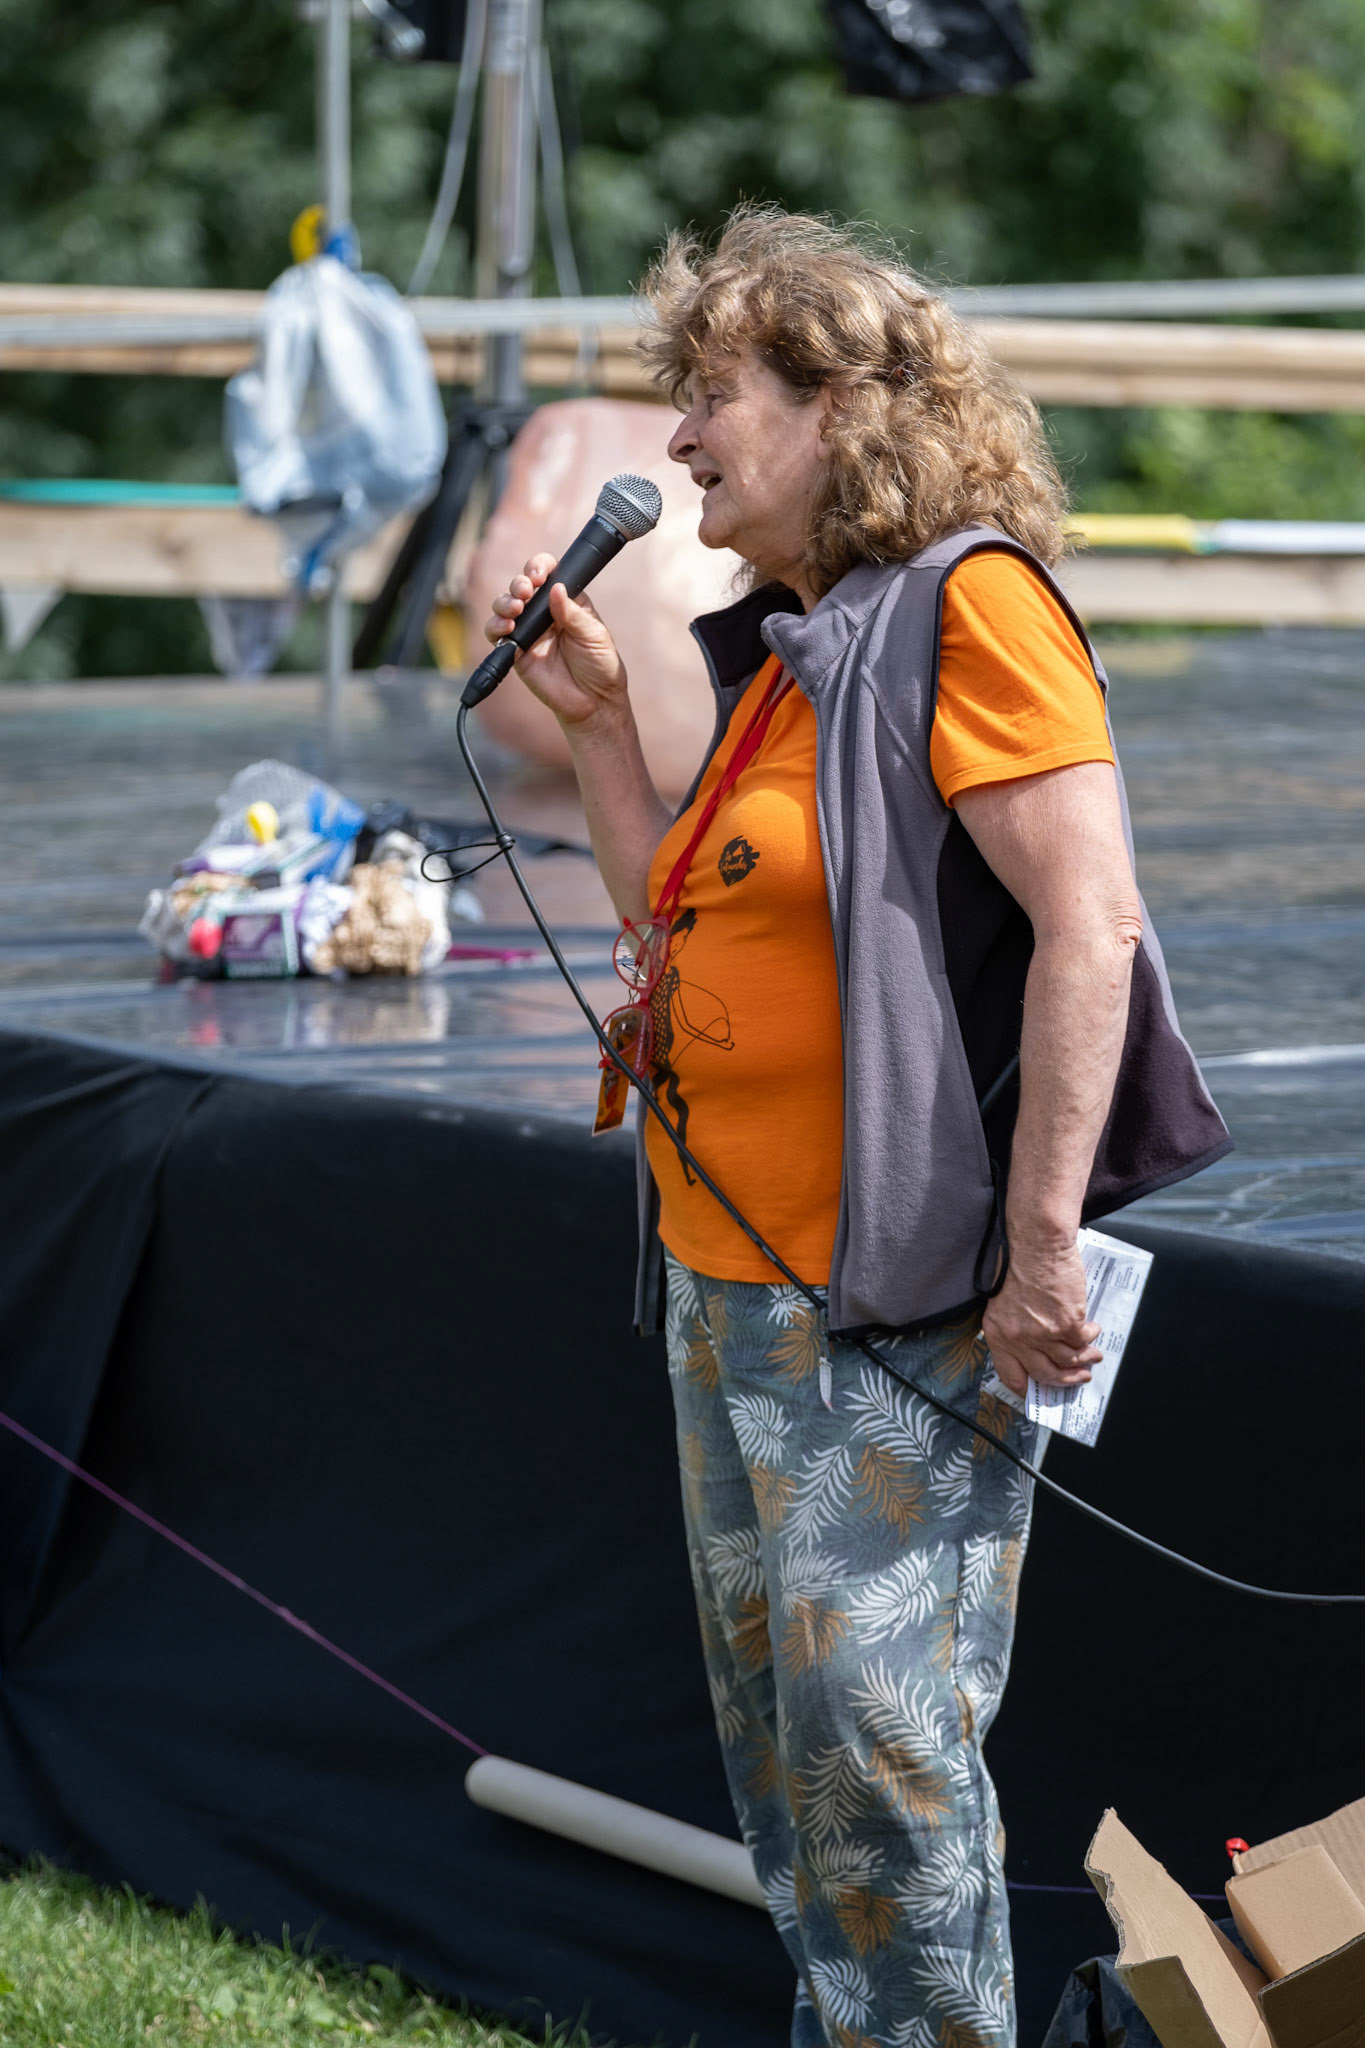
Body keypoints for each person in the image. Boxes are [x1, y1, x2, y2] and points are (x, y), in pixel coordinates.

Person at [486, 208, 1229, 2048]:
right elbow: (677, 913)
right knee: (790, 1759)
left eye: (715, 393)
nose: (678, 438)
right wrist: (600, 733)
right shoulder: (801, 643)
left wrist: (1039, 1253)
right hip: (726, 1286)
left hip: (892, 1305)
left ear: (837, 407)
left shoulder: (970, 606)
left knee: (879, 1754)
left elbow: (1090, 928)